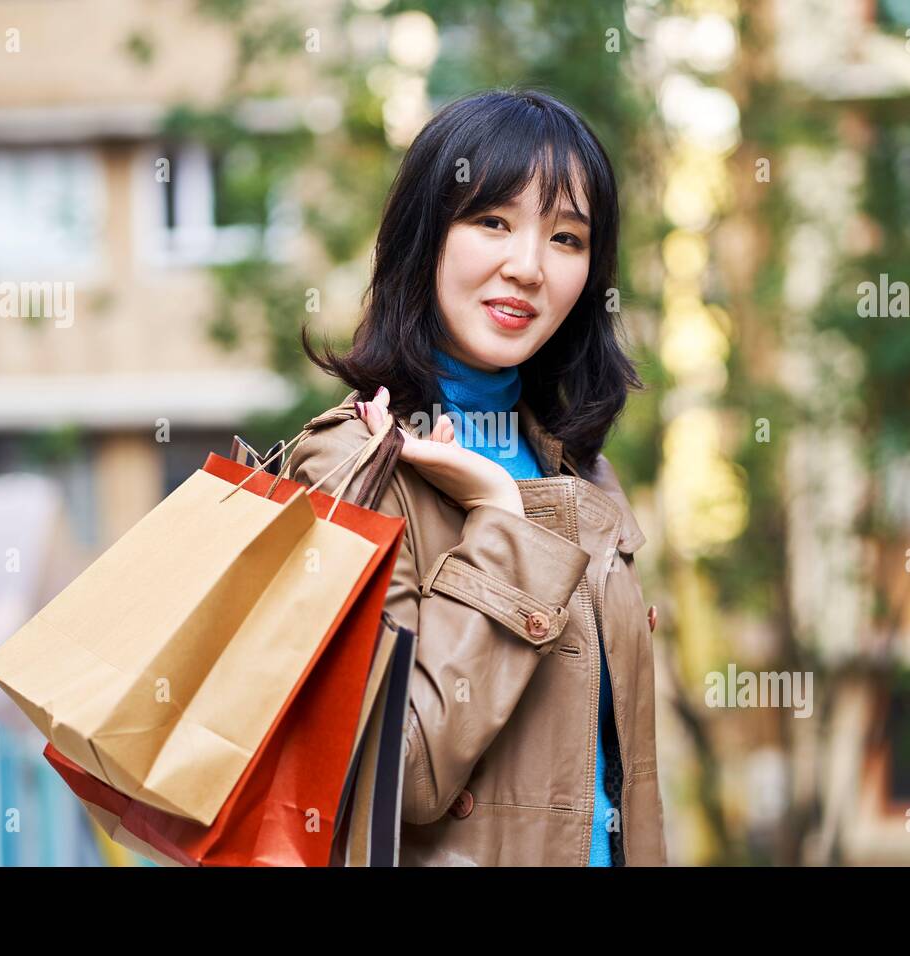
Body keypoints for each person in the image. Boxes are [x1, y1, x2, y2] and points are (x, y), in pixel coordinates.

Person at [289, 88, 666, 866]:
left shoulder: (582, 470)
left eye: (566, 238)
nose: (526, 267)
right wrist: (498, 521)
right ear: (424, 234)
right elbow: (406, 776)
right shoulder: (350, 467)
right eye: (492, 221)